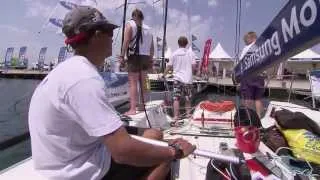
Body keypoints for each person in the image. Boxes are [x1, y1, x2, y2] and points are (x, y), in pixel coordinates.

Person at [28, 6, 195, 180]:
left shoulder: (68, 71)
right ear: (97, 35)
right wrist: (173, 151)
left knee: (155, 134)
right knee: (166, 159)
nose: (112, 37)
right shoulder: (84, 79)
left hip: (70, 158)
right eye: (108, 31)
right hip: (78, 172)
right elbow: (122, 152)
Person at [119, 8, 154, 115]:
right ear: (142, 18)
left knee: (133, 83)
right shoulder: (148, 29)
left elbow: (126, 42)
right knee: (143, 83)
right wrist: (150, 59)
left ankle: (133, 109)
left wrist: (122, 56)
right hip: (145, 57)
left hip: (134, 57)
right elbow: (152, 47)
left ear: (133, 17)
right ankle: (142, 106)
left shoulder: (130, 25)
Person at [164, 36, 197, 121]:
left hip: (177, 79)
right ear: (186, 44)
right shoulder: (191, 53)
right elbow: (194, 66)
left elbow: (169, 66)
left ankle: (176, 116)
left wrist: (163, 74)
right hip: (188, 79)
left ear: (178, 43)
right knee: (188, 98)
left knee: (176, 98)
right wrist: (191, 73)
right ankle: (188, 115)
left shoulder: (174, 54)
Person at [239, 31, 265, 118]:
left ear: (251, 38)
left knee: (248, 98)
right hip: (260, 76)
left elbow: (241, 63)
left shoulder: (246, 48)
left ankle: (248, 119)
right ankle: (259, 118)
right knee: (258, 99)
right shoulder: (263, 47)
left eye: (245, 39)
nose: (245, 42)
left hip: (248, 76)